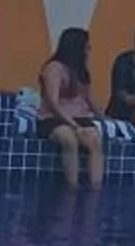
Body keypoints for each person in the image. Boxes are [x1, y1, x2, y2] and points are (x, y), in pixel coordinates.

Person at [37, 26, 105, 187]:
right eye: (86, 46)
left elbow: (87, 99)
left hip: (80, 117)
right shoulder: (54, 68)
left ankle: (96, 188)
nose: (89, 50)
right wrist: (74, 126)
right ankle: (71, 188)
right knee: (69, 139)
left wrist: (102, 117)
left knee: (95, 141)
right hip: (53, 118)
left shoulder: (81, 70)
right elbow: (52, 103)